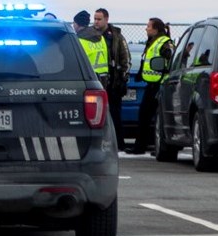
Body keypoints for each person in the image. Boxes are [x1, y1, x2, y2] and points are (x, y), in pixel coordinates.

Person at [127, 17, 174, 154]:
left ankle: (146, 147)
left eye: (148, 26)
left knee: (152, 116)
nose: (146, 28)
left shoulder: (164, 42)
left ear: (155, 29)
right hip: (152, 84)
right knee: (147, 116)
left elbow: (170, 60)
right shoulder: (153, 42)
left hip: (159, 85)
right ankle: (144, 145)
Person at [94, 8, 131, 151]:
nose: (96, 22)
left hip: (113, 83)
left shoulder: (116, 36)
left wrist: (123, 78)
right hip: (97, 82)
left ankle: (118, 144)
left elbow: (125, 58)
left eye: (99, 19)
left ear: (106, 19)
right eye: (95, 19)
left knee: (115, 114)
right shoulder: (91, 36)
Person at [73, 10, 109, 84]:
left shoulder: (79, 40)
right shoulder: (101, 37)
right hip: (104, 76)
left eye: (74, 23)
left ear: (77, 24)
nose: (73, 25)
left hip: (90, 77)